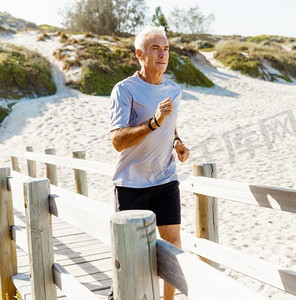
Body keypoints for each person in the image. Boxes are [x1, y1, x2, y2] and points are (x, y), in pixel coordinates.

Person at [109, 26, 189, 300]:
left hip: (166, 178)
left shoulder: (174, 90)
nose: (162, 54)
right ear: (139, 54)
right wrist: (153, 122)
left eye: (166, 48)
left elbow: (172, 126)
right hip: (132, 182)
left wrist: (177, 143)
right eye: (155, 48)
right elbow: (118, 140)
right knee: (131, 255)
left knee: (172, 245)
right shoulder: (125, 90)